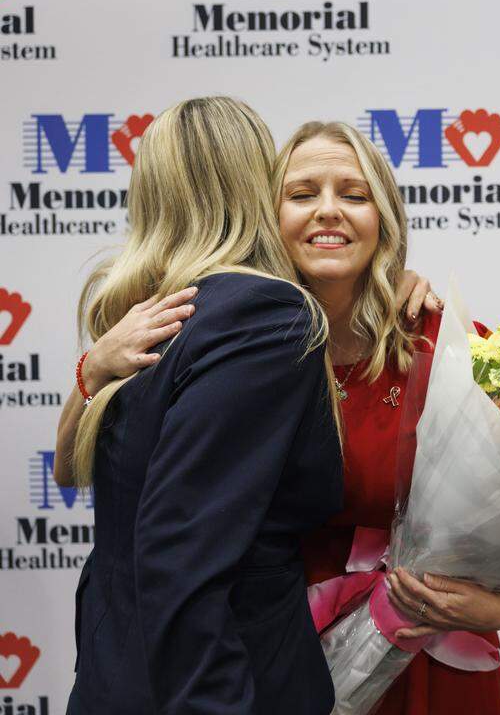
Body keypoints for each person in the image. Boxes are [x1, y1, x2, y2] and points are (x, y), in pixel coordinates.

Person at [62, 120, 500, 713]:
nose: (328, 212)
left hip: (424, 651)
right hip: (280, 652)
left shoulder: (441, 341)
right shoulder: (229, 333)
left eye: (354, 196)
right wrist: (93, 365)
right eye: (302, 194)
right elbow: (84, 470)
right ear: (264, 214)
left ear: (384, 216)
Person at [61, 97, 344, 714]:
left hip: (119, 676)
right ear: (255, 181)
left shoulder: (154, 316)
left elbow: (78, 474)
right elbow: (182, 549)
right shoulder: (264, 317)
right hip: (216, 688)